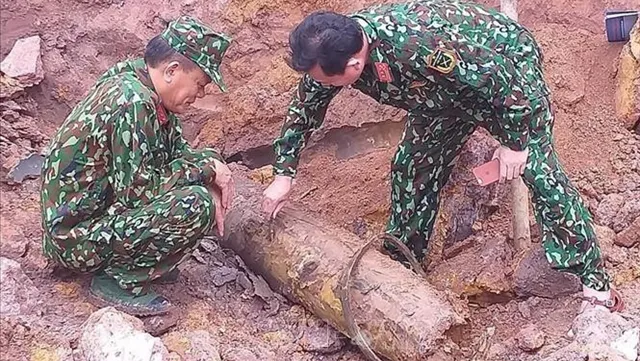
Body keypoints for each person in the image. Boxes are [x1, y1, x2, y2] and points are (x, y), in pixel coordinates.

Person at [261, 1, 623, 312]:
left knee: (539, 171)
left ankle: (593, 283)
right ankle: (404, 261)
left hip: (507, 72)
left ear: (355, 65)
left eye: (324, 79)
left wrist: (515, 142)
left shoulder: (416, 45)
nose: (318, 84)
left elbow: (499, 78)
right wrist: (284, 172)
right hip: (443, 97)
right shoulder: (332, 52)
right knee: (412, 166)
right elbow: (305, 108)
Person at [40, 16, 235, 316]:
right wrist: (207, 172)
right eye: (199, 83)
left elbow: (177, 154)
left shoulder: (143, 87)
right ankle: (118, 279)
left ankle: (147, 259)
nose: (201, 95)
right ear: (172, 70)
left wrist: (210, 164)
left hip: (91, 218)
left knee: (207, 163)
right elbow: (139, 194)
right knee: (196, 204)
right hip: (74, 239)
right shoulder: (132, 101)